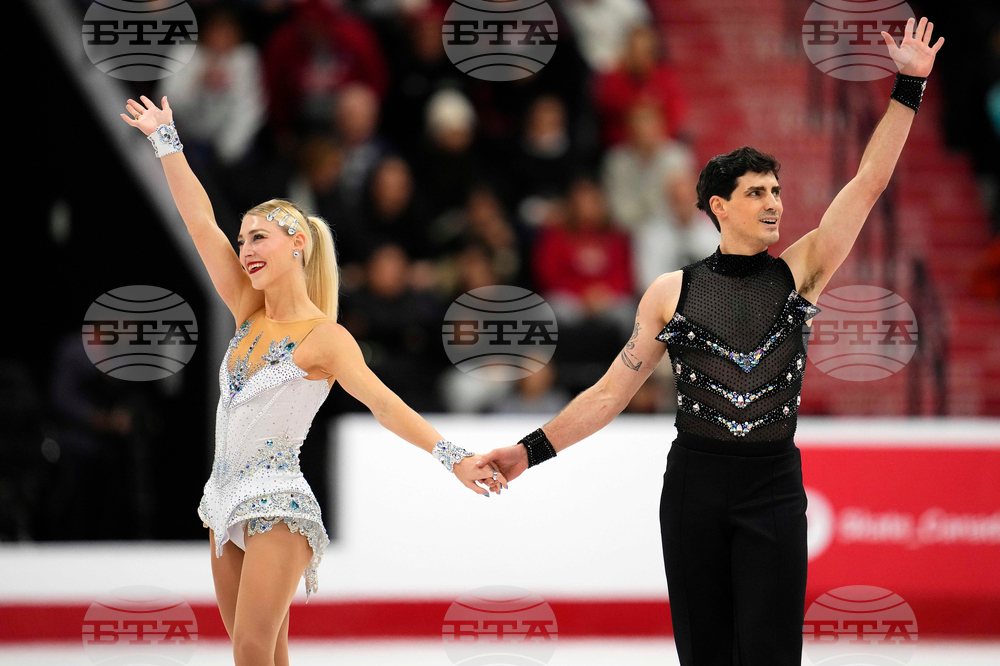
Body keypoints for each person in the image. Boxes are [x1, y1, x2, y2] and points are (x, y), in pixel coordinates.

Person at [479, 18, 943, 666]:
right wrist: (530, 451)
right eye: (757, 193)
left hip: (773, 486)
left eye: (777, 191)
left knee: (772, 655)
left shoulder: (801, 271)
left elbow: (866, 183)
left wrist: (909, 88)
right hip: (695, 486)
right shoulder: (671, 292)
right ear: (719, 206)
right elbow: (610, 393)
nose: (775, 203)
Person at [120, 95, 504, 666]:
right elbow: (201, 220)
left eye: (259, 238)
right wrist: (165, 139)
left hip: (279, 502)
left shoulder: (324, 337)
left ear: (296, 243)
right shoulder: (247, 311)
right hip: (221, 501)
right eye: (244, 238)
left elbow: (383, 402)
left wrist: (454, 457)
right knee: (262, 655)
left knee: (251, 649)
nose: (245, 249)